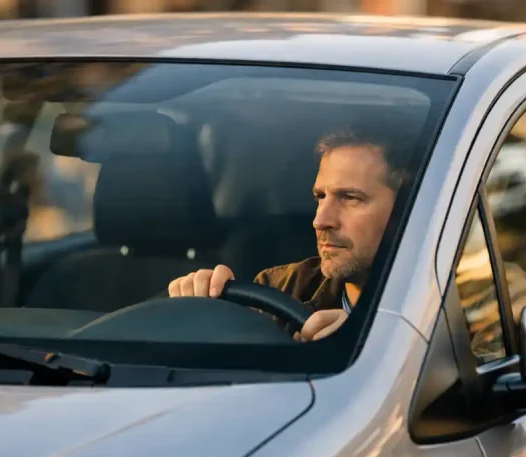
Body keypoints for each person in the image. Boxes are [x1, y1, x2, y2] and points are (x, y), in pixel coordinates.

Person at [168, 126, 409, 342]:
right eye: (320, 197)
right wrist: (203, 312)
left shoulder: (438, 313)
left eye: (350, 198)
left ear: (408, 208)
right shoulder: (279, 290)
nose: (320, 221)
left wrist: (373, 339)